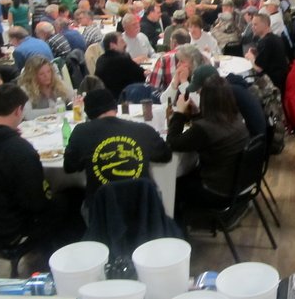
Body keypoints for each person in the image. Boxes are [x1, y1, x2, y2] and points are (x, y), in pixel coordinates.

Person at [0, 83, 76, 249]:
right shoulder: (18, 150)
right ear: (18, 111)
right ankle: (58, 252)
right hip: (10, 231)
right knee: (72, 196)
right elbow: (37, 203)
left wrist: (5, 135)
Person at [64, 88, 172, 208]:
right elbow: (166, 155)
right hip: (144, 208)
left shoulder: (81, 132)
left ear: (88, 114)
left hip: (102, 211)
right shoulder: (143, 130)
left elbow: (69, 166)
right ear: (115, 107)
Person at [167, 75, 249, 214]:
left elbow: (173, 142)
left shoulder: (204, 129)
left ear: (206, 100)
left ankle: (179, 224)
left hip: (217, 192)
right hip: (239, 186)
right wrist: (197, 114)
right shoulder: (236, 119)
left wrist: (179, 113)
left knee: (173, 184)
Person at [187, 64, 267, 139]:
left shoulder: (226, 93)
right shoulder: (229, 88)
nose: (197, 92)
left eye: (198, 89)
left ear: (209, 85)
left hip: (252, 138)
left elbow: (214, 122)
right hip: (254, 136)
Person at [18, 55, 73, 120]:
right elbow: (27, 115)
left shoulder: (58, 83)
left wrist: (76, 103)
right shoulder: (25, 90)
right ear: (32, 76)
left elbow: (74, 99)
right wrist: (53, 110)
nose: (47, 76)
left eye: (49, 71)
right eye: (41, 74)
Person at [95, 32, 147, 99]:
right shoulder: (122, 59)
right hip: (124, 98)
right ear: (112, 45)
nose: (125, 44)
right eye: (122, 41)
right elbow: (142, 75)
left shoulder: (100, 60)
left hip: (106, 99)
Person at [245, 13, 288, 92]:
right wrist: (257, 51)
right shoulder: (276, 38)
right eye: (252, 24)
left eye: (255, 24)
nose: (252, 27)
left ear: (265, 25)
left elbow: (259, 68)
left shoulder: (266, 42)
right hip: (281, 80)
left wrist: (250, 57)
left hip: (271, 85)